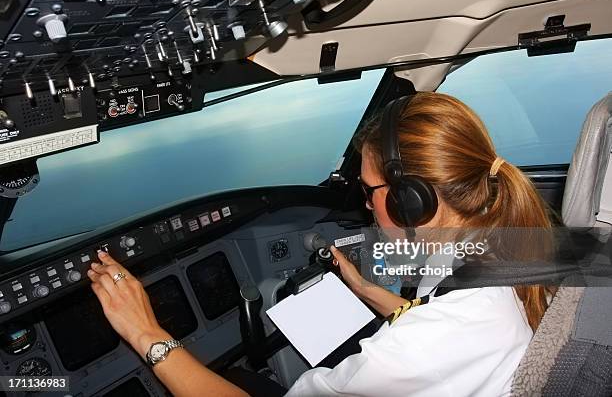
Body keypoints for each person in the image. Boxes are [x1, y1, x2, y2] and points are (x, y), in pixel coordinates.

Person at [88, 92, 552, 396]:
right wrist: (369, 291)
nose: (366, 206)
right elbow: (441, 319)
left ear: (413, 202)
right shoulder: (501, 251)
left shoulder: (427, 345)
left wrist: (147, 333)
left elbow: (433, 342)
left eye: (369, 192)